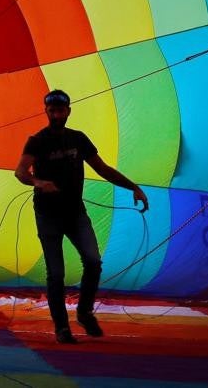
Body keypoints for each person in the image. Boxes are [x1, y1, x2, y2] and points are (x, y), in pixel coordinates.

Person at [14, 89, 148, 344]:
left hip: (75, 212)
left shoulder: (78, 139)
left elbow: (103, 169)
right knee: (56, 273)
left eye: (60, 110)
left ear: (68, 111)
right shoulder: (37, 141)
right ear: (46, 111)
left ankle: (85, 313)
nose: (56, 114)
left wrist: (134, 187)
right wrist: (37, 181)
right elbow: (20, 171)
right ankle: (62, 327)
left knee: (94, 262)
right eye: (52, 110)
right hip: (47, 215)